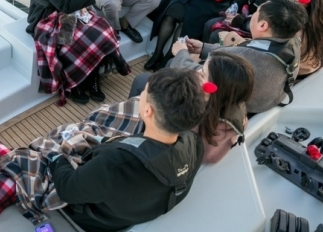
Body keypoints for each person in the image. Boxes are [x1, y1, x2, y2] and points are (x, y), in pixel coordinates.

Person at [49, 68, 206, 231]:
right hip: (138, 208)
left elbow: (66, 189)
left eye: (144, 92)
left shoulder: (112, 164)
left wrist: (58, 158)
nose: (141, 95)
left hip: (99, 221)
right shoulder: (195, 145)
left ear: (147, 111)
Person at [186, 0, 308, 114]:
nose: (253, 15)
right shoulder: (293, 41)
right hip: (270, 99)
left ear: (263, 25)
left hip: (244, 109)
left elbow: (204, 72)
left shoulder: (239, 57)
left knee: (178, 64)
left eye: (256, 11)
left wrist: (181, 53)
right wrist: (203, 48)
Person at [129, 50, 254, 163]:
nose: (196, 72)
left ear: (216, 89)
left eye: (202, 74)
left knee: (141, 81)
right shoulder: (232, 103)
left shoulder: (193, 118)